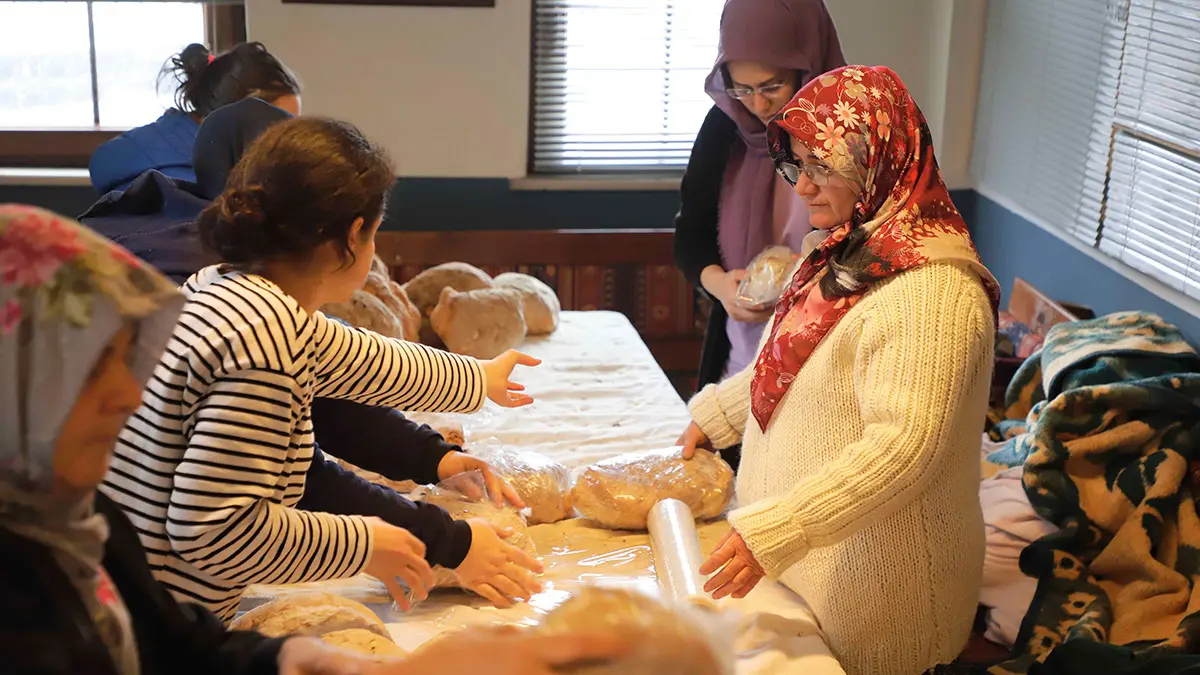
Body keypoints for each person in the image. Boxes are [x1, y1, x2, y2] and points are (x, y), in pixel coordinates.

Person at [0, 204, 629, 675]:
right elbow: (220, 526)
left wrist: (281, 659)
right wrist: (385, 540)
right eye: (91, 369)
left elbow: (172, 642)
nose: (130, 395)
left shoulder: (78, 521)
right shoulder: (24, 604)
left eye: (127, 361)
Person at [84, 97, 534, 610]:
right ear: (350, 239)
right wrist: (370, 545)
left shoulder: (220, 287)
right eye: (375, 233)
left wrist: (477, 381)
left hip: (116, 589)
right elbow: (211, 533)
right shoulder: (262, 343)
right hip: (153, 621)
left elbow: (360, 358)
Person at [677, 66, 1000, 674]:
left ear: (878, 159)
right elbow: (798, 362)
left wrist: (782, 527)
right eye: (797, 165)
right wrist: (717, 416)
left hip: (881, 597)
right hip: (809, 568)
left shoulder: (933, 291)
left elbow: (904, 447)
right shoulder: (850, 251)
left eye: (823, 166)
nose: (802, 187)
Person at [672, 0, 844, 471]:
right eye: (741, 87)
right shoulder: (726, 126)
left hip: (821, 357)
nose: (759, 104)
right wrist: (721, 285)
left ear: (809, 65)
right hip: (740, 345)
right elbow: (690, 237)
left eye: (773, 85)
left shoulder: (850, 134)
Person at [89, 42, 301, 195]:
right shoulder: (188, 193)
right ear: (238, 115)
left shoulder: (146, 148)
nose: (286, 143)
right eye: (279, 128)